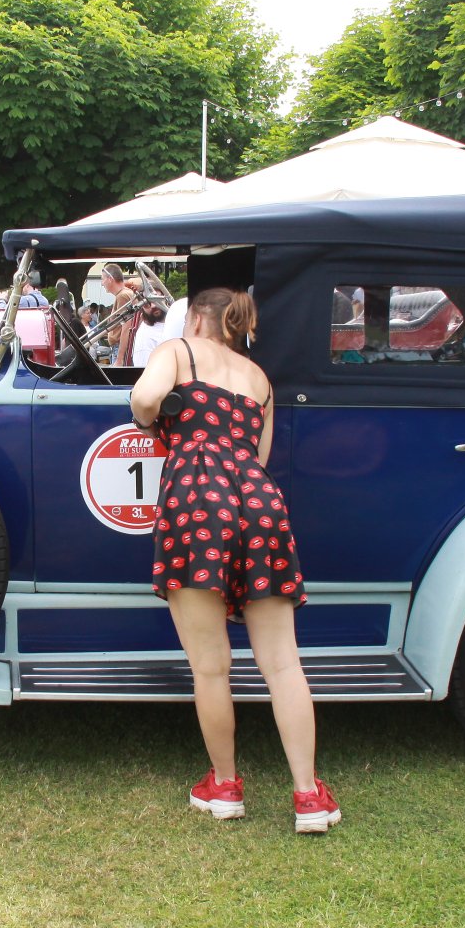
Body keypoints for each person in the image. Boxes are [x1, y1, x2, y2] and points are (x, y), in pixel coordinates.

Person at [128, 286, 338, 834]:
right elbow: (259, 456)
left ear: (197, 318)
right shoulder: (259, 378)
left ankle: (224, 787)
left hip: (197, 500)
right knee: (283, 663)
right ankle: (309, 796)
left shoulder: (178, 351)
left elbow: (145, 400)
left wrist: (157, 416)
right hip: (259, 500)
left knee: (211, 666)